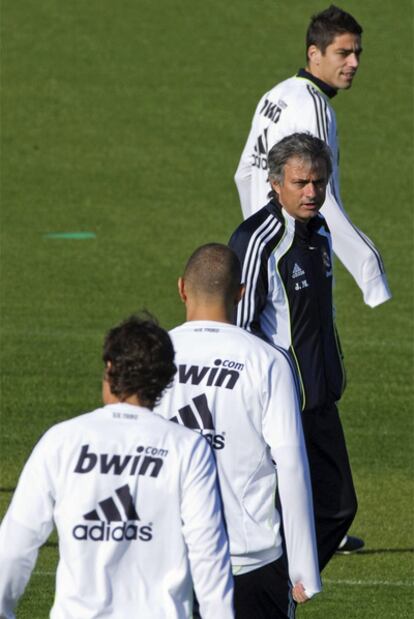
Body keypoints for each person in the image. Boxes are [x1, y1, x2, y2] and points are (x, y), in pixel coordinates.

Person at [0, 314, 234, 619]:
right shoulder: (186, 448)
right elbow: (208, 554)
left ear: (110, 368)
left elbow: (17, 542)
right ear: (164, 379)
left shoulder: (61, 440)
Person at [156, 243, 321, 619]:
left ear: (182, 288)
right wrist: (304, 568)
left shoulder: (155, 355)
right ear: (241, 292)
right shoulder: (267, 361)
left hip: (168, 557)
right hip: (250, 564)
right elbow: (292, 465)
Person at [229, 132, 359, 570]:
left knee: (339, 507)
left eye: (319, 183)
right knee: (279, 514)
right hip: (279, 405)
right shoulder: (258, 240)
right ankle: (270, 592)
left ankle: (283, 587)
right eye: (301, 182)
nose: (312, 192)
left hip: (320, 399)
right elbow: (238, 327)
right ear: (274, 183)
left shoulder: (319, 231)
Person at [234, 4, 391, 310]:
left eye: (357, 52)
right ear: (314, 53)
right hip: (296, 255)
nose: (354, 62)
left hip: (261, 251)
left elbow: (244, 173)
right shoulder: (315, 106)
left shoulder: (275, 94)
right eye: (343, 53)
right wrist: (371, 270)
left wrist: (254, 233)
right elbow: (323, 198)